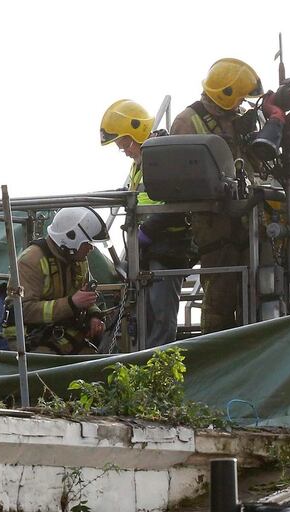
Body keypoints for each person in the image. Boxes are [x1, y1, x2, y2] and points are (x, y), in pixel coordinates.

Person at [170, 58, 263, 333]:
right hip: (213, 222)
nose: (243, 103)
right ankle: (217, 350)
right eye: (240, 97)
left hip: (247, 218)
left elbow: (252, 165)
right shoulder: (188, 122)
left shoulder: (237, 120)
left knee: (256, 290)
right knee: (220, 295)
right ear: (227, 94)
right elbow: (180, 178)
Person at [100, 99, 197, 347]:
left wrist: (146, 231)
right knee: (147, 313)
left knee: (161, 313)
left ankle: (159, 370)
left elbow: (178, 203)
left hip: (170, 247)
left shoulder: (164, 156)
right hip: (149, 247)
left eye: (125, 143)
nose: (124, 150)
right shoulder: (140, 163)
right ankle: (147, 365)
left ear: (137, 132)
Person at [4, 208, 109, 354]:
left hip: (61, 332)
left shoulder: (79, 261)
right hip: (29, 337)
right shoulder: (30, 261)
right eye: (87, 243)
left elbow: (85, 297)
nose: (91, 248)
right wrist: (71, 303)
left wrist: (93, 316)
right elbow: (23, 310)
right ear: (71, 238)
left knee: (93, 361)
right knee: (51, 366)